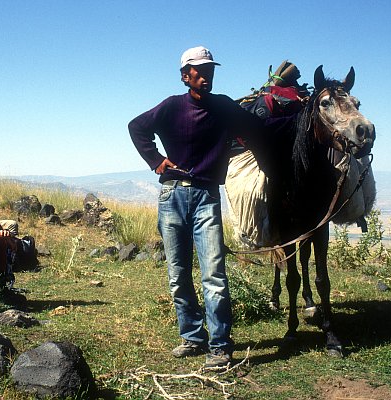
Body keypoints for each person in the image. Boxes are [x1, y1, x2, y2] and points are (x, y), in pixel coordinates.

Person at [128, 46, 263, 369]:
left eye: (210, 70)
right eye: (199, 71)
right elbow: (137, 127)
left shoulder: (224, 107)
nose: (207, 76)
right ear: (185, 75)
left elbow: (257, 127)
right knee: (178, 274)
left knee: (213, 274)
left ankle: (220, 346)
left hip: (206, 198)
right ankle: (192, 336)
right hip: (172, 196)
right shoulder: (172, 107)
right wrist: (156, 161)